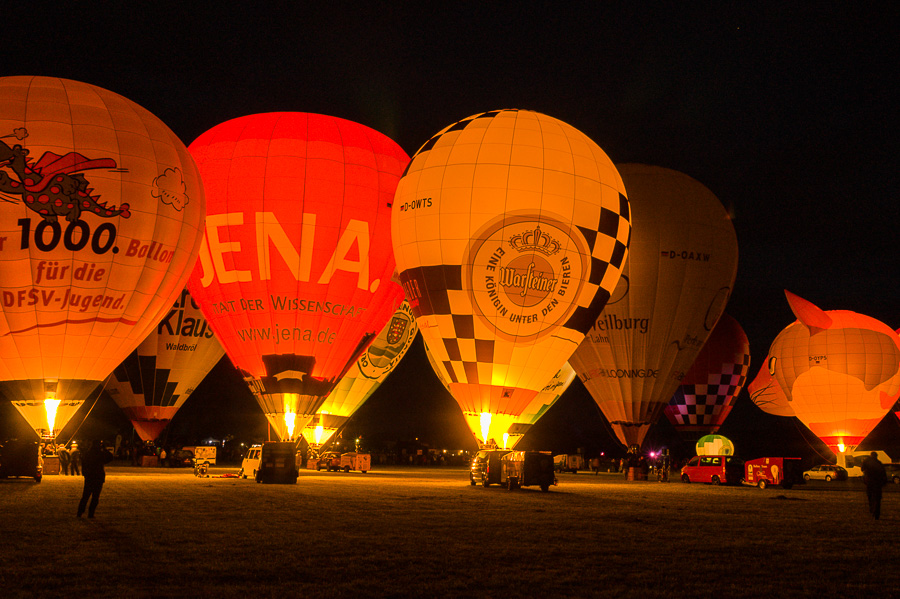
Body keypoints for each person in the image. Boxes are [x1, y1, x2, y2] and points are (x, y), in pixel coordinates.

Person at [77, 440, 113, 518]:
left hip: (89, 477)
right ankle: (91, 513)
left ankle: (80, 512)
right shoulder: (100, 454)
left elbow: (84, 464)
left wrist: (85, 474)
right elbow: (110, 457)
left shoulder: (88, 454)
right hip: (98, 477)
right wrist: (105, 449)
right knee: (95, 497)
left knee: (85, 496)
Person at [861, 451, 888, 520]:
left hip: (870, 482)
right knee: (878, 498)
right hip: (878, 483)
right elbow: (883, 473)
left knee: (870, 496)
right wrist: (884, 482)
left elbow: (862, 469)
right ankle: (876, 513)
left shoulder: (866, 461)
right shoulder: (879, 463)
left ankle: (872, 508)